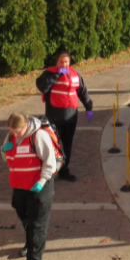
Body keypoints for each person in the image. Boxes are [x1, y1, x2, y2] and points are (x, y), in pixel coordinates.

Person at [1, 113, 56, 260]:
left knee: (37, 224)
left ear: (26, 126)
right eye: (12, 131)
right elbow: (8, 157)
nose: (15, 134)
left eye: (18, 131)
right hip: (19, 187)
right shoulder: (10, 135)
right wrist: (4, 151)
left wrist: (41, 181)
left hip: (39, 188)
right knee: (25, 217)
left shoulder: (39, 136)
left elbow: (49, 162)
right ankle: (29, 244)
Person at [36, 52, 93, 182]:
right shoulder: (49, 73)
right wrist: (57, 75)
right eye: (61, 62)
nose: (64, 64)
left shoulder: (75, 75)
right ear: (57, 62)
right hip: (54, 118)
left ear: (70, 62)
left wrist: (89, 107)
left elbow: (83, 91)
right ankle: (49, 172)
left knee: (67, 146)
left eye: (66, 62)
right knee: (51, 146)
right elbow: (42, 87)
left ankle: (64, 170)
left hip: (71, 118)